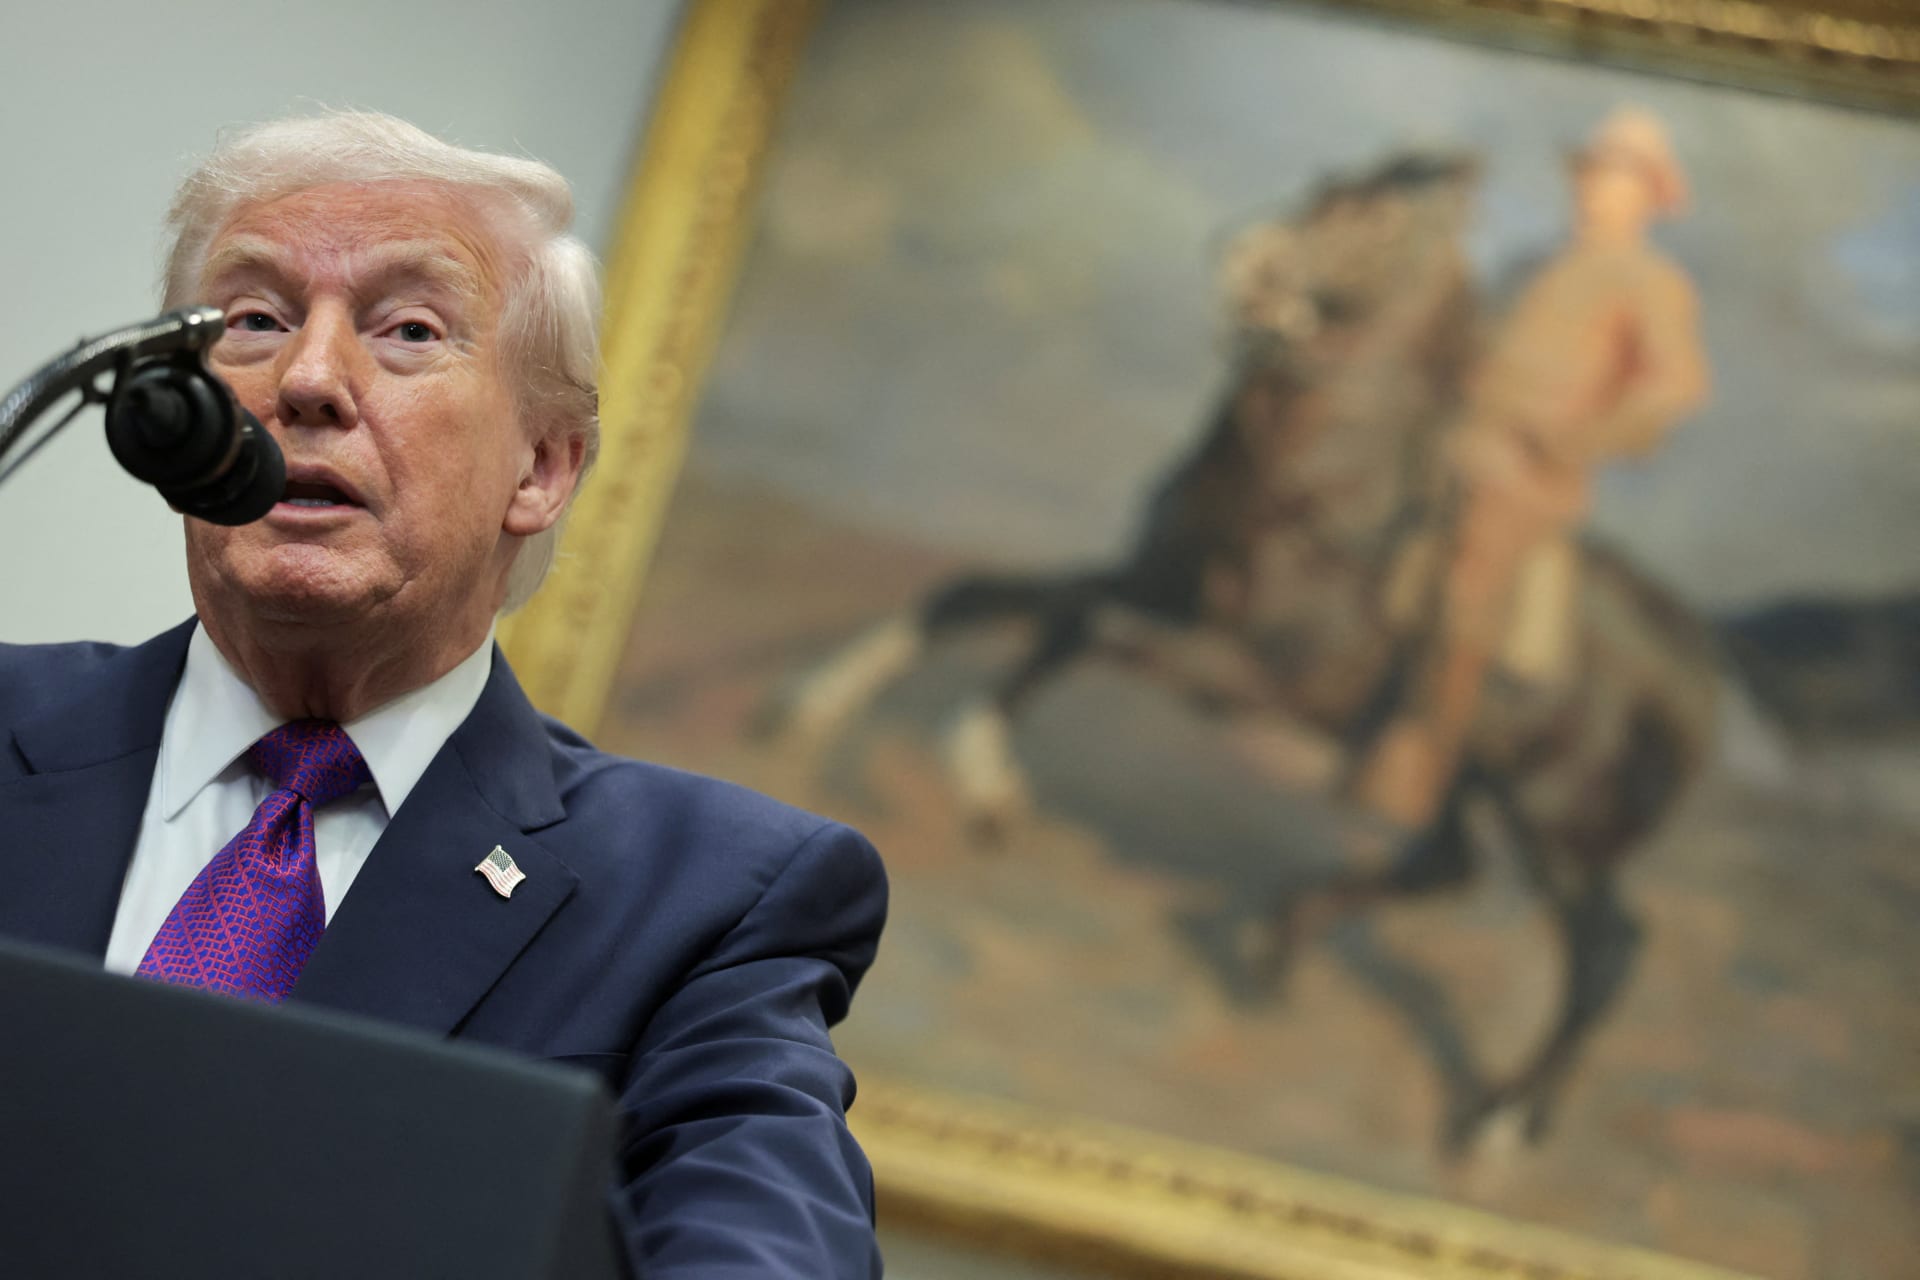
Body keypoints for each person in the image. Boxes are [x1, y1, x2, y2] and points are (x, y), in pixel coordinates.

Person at [0, 111, 887, 1278]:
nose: (309, 378)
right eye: (255, 318)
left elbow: (768, 1244)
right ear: (174, 418)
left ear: (543, 466)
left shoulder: (705, 899)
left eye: (410, 329)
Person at [1351, 107, 1710, 831]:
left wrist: (1573, 440)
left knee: (1469, 583)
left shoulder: (1652, 281)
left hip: (1526, 473)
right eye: (1592, 173)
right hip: (1459, 439)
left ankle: (1421, 761)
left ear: (1648, 197)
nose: (1595, 188)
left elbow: (1676, 387)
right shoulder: (1535, 262)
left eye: (1616, 179)